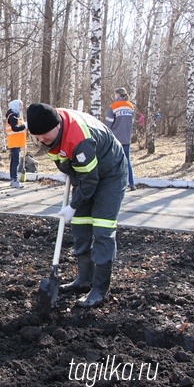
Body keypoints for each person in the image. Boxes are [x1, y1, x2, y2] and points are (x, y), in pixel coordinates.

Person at [26, 103, 128, 308]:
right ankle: (83, 279)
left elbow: (91, 180)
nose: (41, 140)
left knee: (102, 228)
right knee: (81, 225)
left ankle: (99, 289)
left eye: (44, 135)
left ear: (56, 126)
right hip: (86, 174)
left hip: (110, 174)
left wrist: (73, 204)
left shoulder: (79, 139)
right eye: (36, 137)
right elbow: (72, 167)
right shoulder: (51, 130)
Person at [104, 87, 136, 191]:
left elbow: (108, 124)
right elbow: (132, 122)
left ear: (118, 94)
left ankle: (114, 184)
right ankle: (131, 183)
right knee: (127, 161)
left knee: (113, 162)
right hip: (126, 138)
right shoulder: (130, 106)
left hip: (115, 139)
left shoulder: (113, 106)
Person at [4, 99, 27, 189]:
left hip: (15, 141)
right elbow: (15, 128)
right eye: (20, 105)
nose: (21, 107)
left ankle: (12, 179)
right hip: (14, 141)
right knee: (15, 161)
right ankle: (14, 180)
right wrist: (25, 125)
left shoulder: (14, 114)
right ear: (16, 105)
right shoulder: (13, 115)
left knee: (13, 161)